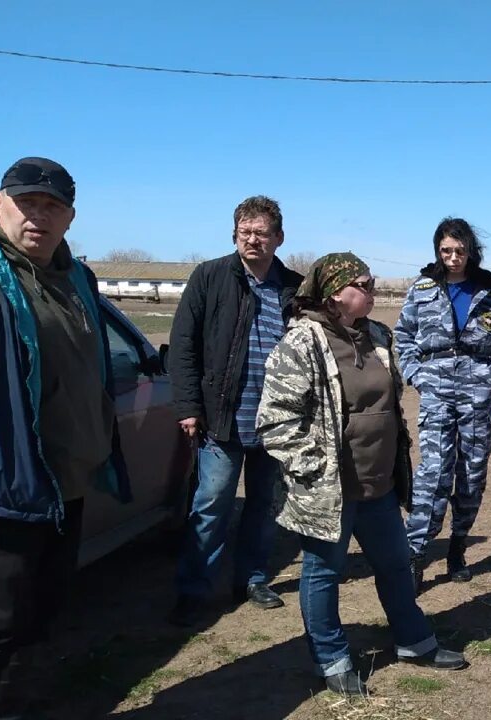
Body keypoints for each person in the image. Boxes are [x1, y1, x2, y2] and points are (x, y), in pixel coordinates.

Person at [258, 253, 467, 696]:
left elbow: (388, 405)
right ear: (336, 292)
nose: (373, 291)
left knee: (395, 564)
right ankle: (331, 659)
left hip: (380, 484)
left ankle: (414, 641)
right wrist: (314, 467)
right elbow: (276, 421)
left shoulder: (377, 335)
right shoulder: (301, 343)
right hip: (330, 490)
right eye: (365, 285)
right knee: (323, 573)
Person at [0, 157, 129, 717]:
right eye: (27, 203)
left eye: (52, 207)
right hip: (5, 486)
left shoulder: (77, 277)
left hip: (65, 482)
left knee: (43, 615)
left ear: (70, 218)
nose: (38, 217)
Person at [167, 195, 303, 626]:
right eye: (245, 232)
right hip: (223, 418)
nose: (252, 240)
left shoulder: (294, 287)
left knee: (265, 507)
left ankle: (252, 578)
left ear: (279, 238)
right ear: (234, 233)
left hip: (278, 422)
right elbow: (183, 344)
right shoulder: (210, 277)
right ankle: (194, 588)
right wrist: (189, 406)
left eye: (262, 233)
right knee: (211, 506)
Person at [395, 218, 491, 592]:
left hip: (477, 395)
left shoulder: (489, 292)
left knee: (471, 474)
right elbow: (403, 337)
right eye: (445, 251)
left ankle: (458, 547)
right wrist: (418, 375)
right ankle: (415, 552)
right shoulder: (423, 288)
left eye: (459, 251)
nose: (452, 258)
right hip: (435, 392)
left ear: (470, 251)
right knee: (433, 473)